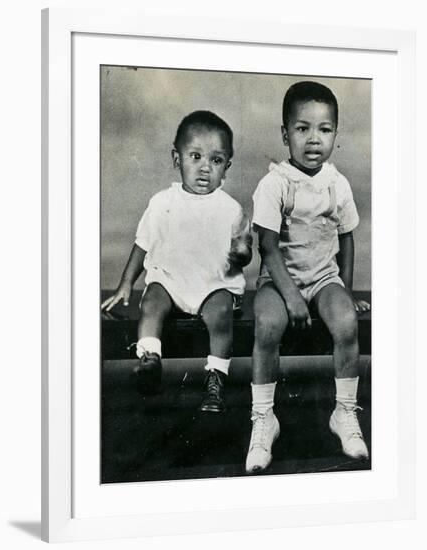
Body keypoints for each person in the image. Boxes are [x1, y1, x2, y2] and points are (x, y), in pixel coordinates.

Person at [245, 81, 371, 474]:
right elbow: (267, 246)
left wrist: (344, 291)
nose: (314, 139)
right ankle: (264, 417)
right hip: (278, 281)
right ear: (286, 135)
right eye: (302, 129)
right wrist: (291, 297)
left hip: (322, 278)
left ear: (335, 133)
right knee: (267, 323)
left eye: (324, 129)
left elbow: (346, 237)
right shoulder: (275, 183)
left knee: (346, 321)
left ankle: (344, 412)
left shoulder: (337, 183)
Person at [102, 110, 252, 412]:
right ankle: (150, 358)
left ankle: (215, 379)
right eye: (195, 156)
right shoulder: (162, 203)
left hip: (213, 285)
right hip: (172, 283)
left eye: (216, 160)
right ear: (176, 159)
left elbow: (243, 253)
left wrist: (243, 252)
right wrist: (125, 285)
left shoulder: (231, 209)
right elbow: (142, 244)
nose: (205, 169)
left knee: (222, 311)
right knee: (153, 301)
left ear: (227, 167)